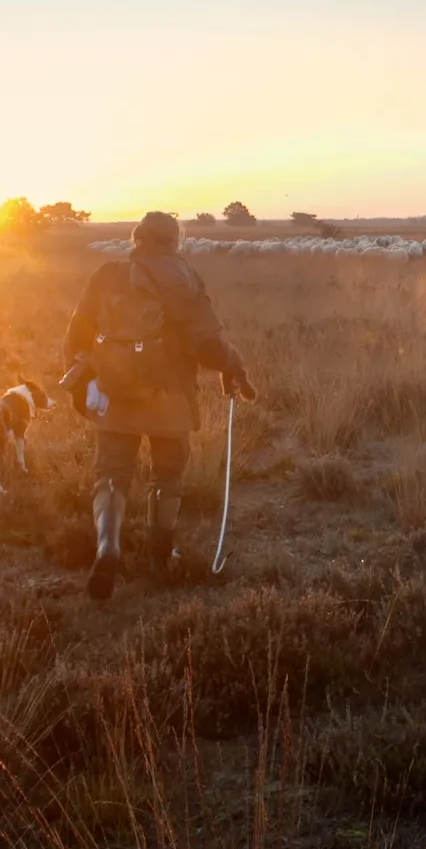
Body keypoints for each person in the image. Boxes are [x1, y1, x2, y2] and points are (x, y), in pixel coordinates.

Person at [61, 211, 257, 599]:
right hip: (170, 396)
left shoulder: (107, 274)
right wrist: (233, 367)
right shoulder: (184, 277)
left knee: (112, 474)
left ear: (136, 240)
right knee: (167, 478)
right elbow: (207, 341)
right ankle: (159, 560)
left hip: (116, 391)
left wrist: (81, 384)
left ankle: (108, 546)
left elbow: (77, 332)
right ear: (174, 241)